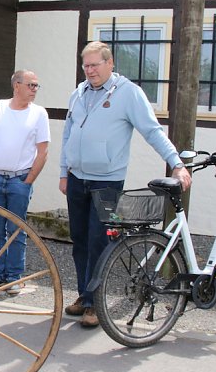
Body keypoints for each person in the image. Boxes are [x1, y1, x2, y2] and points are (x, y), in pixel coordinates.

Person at [60, 41, 191, 328]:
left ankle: (95, 303)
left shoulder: (128, 93)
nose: (89, 70)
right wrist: (63, 172)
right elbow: (68, 134)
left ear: (110, 63)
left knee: (99, 242)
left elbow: (152, 131)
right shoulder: (78, 94)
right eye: (85, 65)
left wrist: (176, 162)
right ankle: (84, 295)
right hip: (77, 178)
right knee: (79, 242)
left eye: (95, 65)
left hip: (107, 181)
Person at [0, 69, 50, 295]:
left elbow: (43, 151)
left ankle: (14, 277)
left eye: (37, 85)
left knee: (17, 229)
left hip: (19, 179)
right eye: (31, 85)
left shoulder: (39, 113)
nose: (35, 90)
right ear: (16, 85)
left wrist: (28, 181)